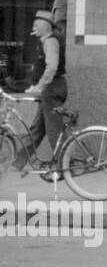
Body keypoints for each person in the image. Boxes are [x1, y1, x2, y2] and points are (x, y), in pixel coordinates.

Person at [15, 10, 67, 175]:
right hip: (51, 89)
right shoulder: (47, 40)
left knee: (54, 129)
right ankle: (17, 162)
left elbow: (52, 67)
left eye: (36, 24)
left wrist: (39, 87)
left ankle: (64, 165)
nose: (33, 27)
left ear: (45, 26)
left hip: (52, 89)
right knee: (37, 128)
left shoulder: (50, 42)